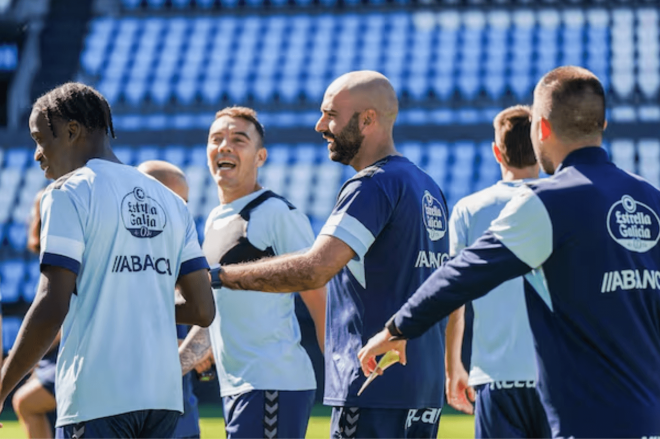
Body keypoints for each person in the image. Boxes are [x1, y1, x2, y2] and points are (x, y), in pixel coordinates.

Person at [359, 66, 660, 438]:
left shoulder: (548, 201)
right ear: (603, 124)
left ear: (542, 129)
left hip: (585, 418)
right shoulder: (651, 198)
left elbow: (464, 272)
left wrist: (398, 327)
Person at [206, 72, 450, 438]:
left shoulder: (372, 185)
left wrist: (220, 276)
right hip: (422, 387)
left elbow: (315, 270)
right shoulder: (427, 186)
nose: (321, 125)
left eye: (331, 114)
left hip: (372, 388)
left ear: (367, 119)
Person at [0, 82, 215, 438]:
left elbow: (52, 304)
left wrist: (3, 387)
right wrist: (134, 294)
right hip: (162, 402)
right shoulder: (171, 201)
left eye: (41, 139)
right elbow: (203, 309)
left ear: (71, 131)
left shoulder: (67, 193)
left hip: (96, 398)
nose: (37, 154)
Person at [178, 106, 326, 439]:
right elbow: (217, 313)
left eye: (238, 139)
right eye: (216, 139)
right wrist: (174, 367)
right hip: (239, 388)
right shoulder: (214, 219)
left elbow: (321, 299)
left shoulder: (277, 213)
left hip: (273, 384)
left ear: (260, 156)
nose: (225, 146)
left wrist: (341, 374)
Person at [444, 105, 550, 438]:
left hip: (494, 376)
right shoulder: (562, 200)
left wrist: (453, 367)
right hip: (557, 377)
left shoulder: (469, 209)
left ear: (496, 152)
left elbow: (454, 297)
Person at [137, 160, 205, 439]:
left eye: (185, 203)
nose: (182, 211)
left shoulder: (177, 254)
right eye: (176, 201)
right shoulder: (122, 257)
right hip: (137, 413)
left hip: (177, 414)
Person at [12, 188, 59, 439]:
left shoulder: (61, 255)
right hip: (53, 357)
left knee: (25, 402)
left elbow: (60, 318)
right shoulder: (45, 257)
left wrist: (32, 353)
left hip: (70, 355)